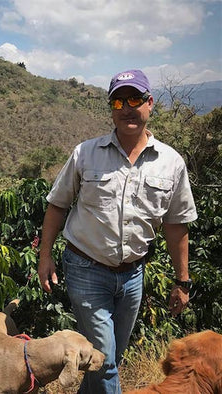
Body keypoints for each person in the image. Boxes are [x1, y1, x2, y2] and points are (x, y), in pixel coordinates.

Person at [37, 69, 197, 394]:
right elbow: (57, 205)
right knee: (105, 360)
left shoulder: (171, 162)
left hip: (133, 276)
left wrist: (182, 281)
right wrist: (45, 256)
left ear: (150, 103)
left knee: (109, 360)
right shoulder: (86, 153)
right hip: (85, 269)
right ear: (111, 107)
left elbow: (176, 223)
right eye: (119, 100)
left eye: (135, 98)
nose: (127, 107)